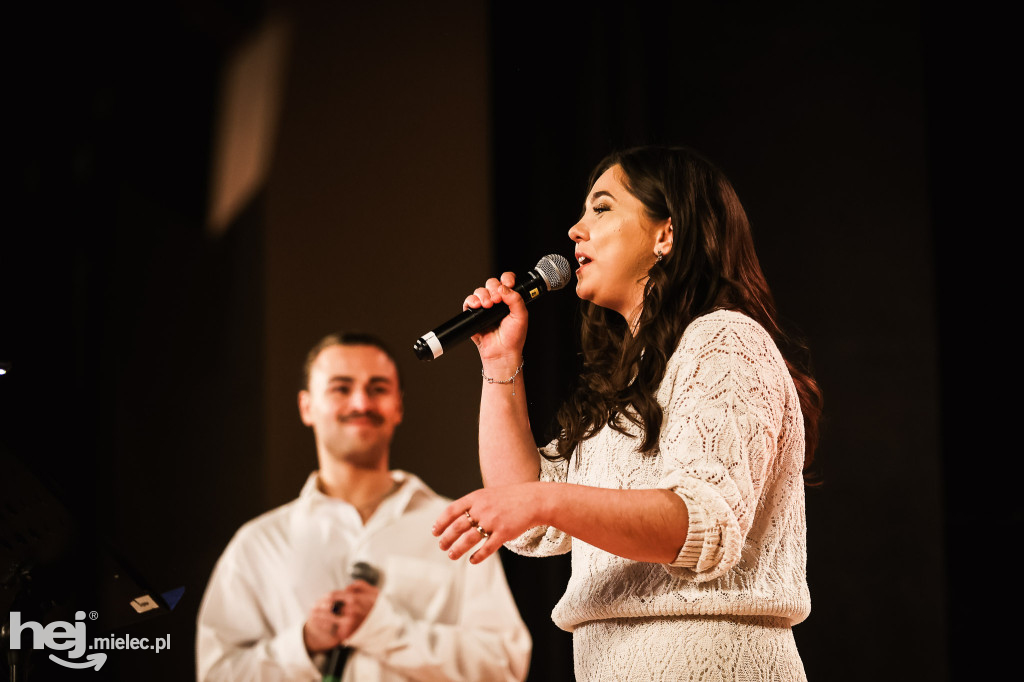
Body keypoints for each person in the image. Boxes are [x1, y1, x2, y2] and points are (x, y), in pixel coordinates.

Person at [432, 145, 822, 680]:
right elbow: (525, 522)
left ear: (666, 233)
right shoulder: (624, 379)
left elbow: (704, 523)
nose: (575, 229)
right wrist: (500, 362)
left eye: (602, 208)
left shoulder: (724, 341)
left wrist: (545, 499)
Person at [196, 332, 532, 681]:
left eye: (378, 388)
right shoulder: (257, 544)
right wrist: (305, 644)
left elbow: (505, 667)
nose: (361, 403)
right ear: (306, 406)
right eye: (341, 388)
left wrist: (386, 628)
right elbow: (216, 674)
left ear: (398, 406)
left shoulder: (459, 526)